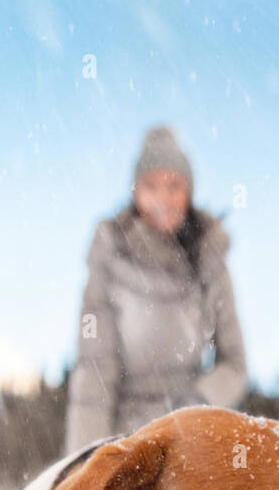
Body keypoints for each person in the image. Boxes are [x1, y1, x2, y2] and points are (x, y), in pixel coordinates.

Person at [65, 125, 248, 452]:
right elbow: (95, 370)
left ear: (189, 192)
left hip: (192, 433)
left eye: (174, 185)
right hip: (123, 439)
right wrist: (87, 462)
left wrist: (197, 402)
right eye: (151, 186)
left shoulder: (210, 257)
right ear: (136, 193)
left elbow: (234, 365)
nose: (163, 199)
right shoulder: (109, 253)